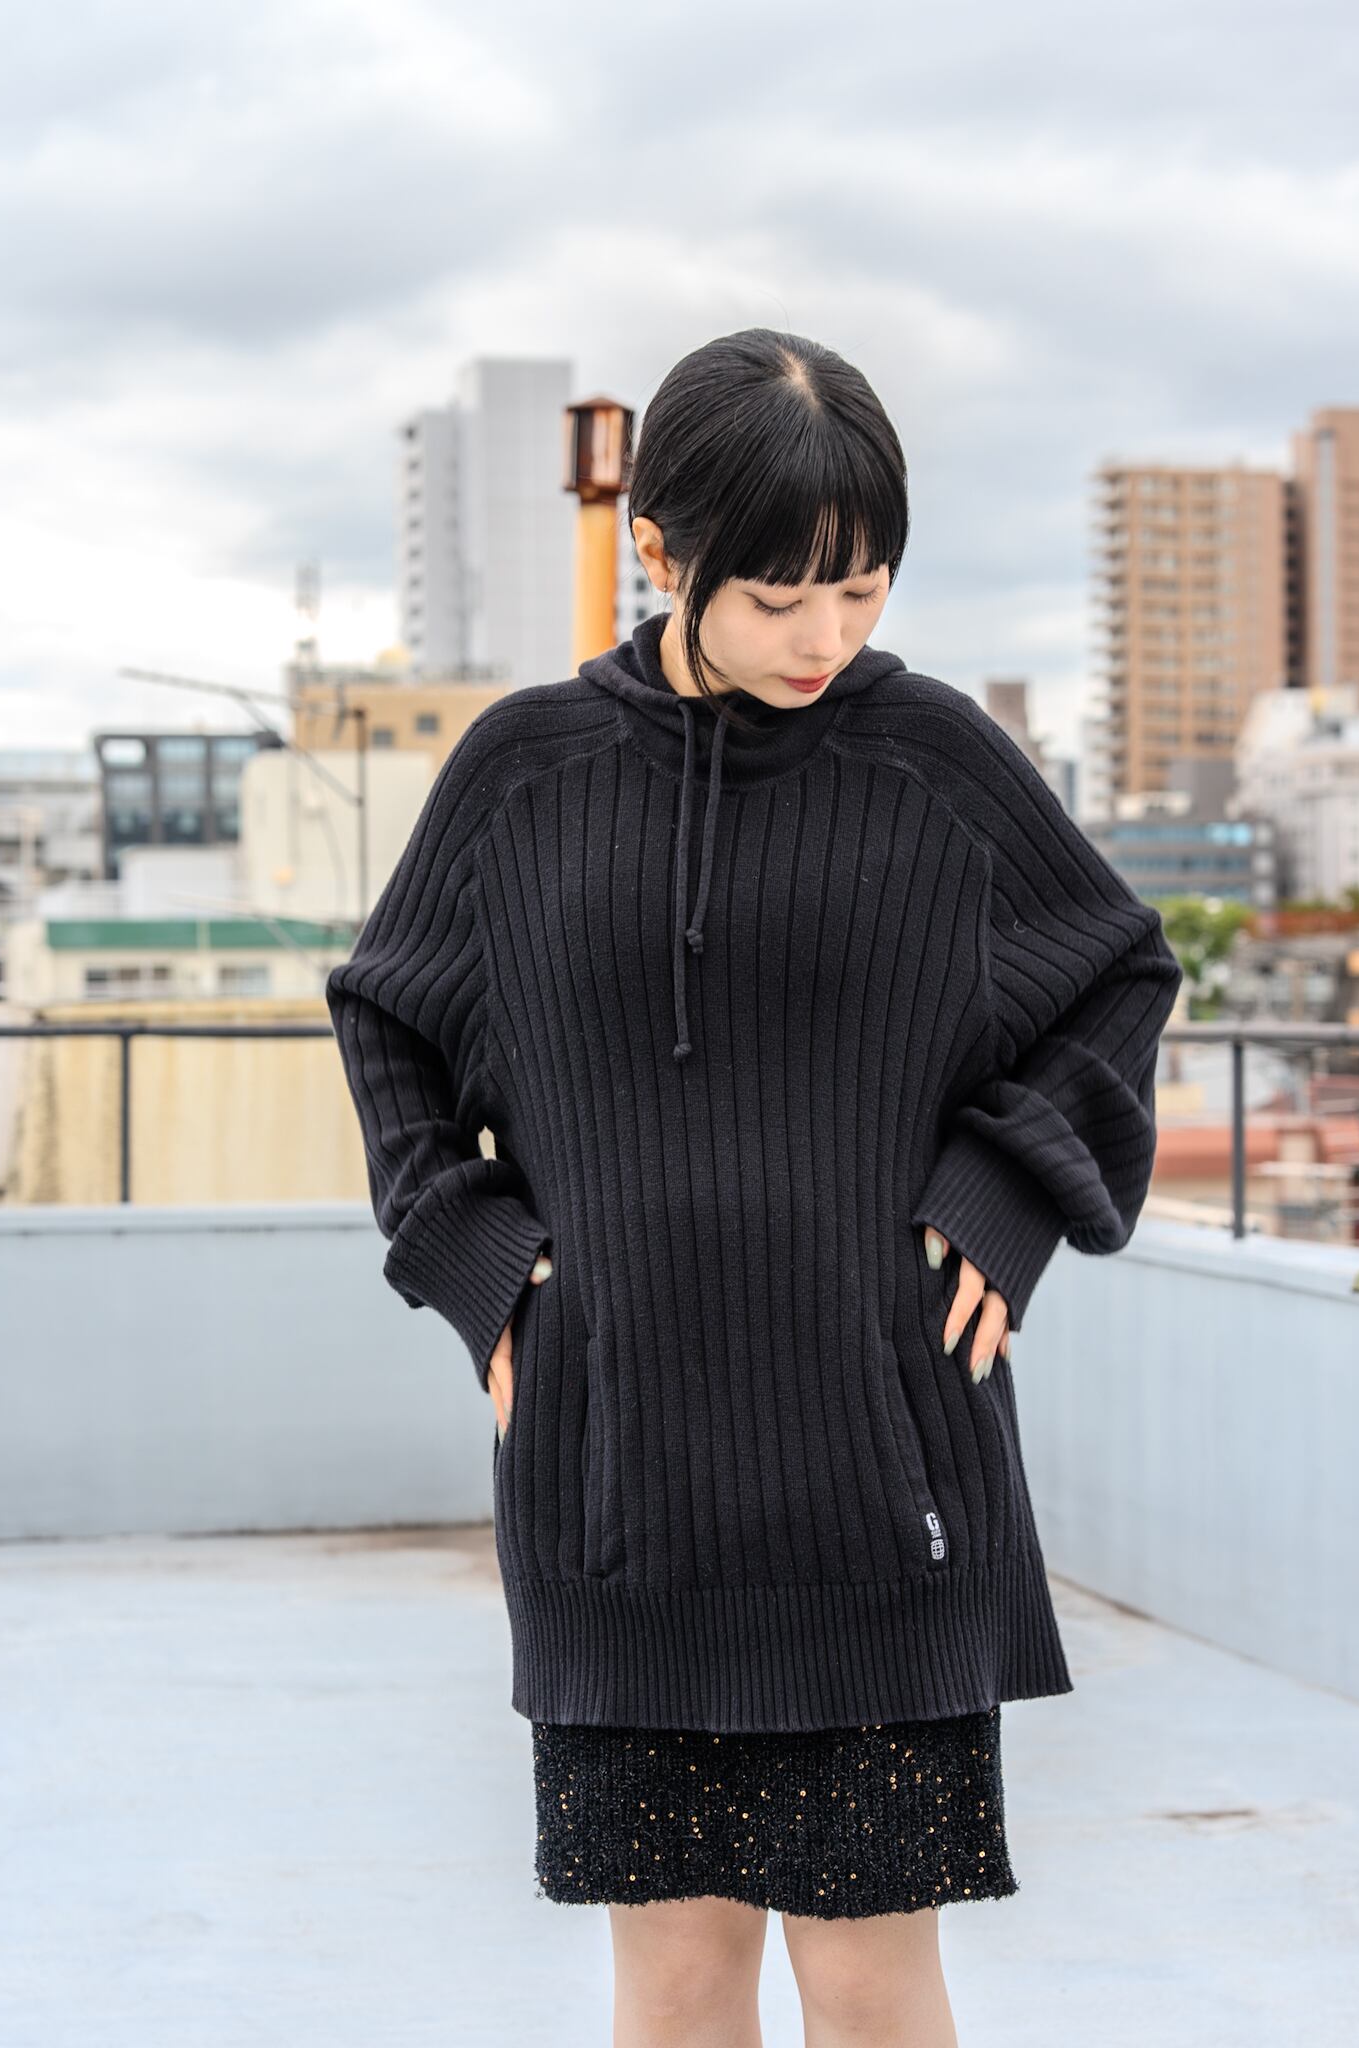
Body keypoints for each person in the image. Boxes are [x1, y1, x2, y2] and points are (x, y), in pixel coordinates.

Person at [327, 327, 1184, 2046]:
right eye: (781, 594)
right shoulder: (523, 775)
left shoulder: (935, 762)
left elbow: (1118, 975)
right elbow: (389, 1017)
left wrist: (1010, 1193)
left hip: (882, 1489)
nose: (825, 637)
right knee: (674, 1973)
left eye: (862, 589)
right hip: (619, 1486)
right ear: (660, 551)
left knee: (870, 1980)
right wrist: (481, 1266)